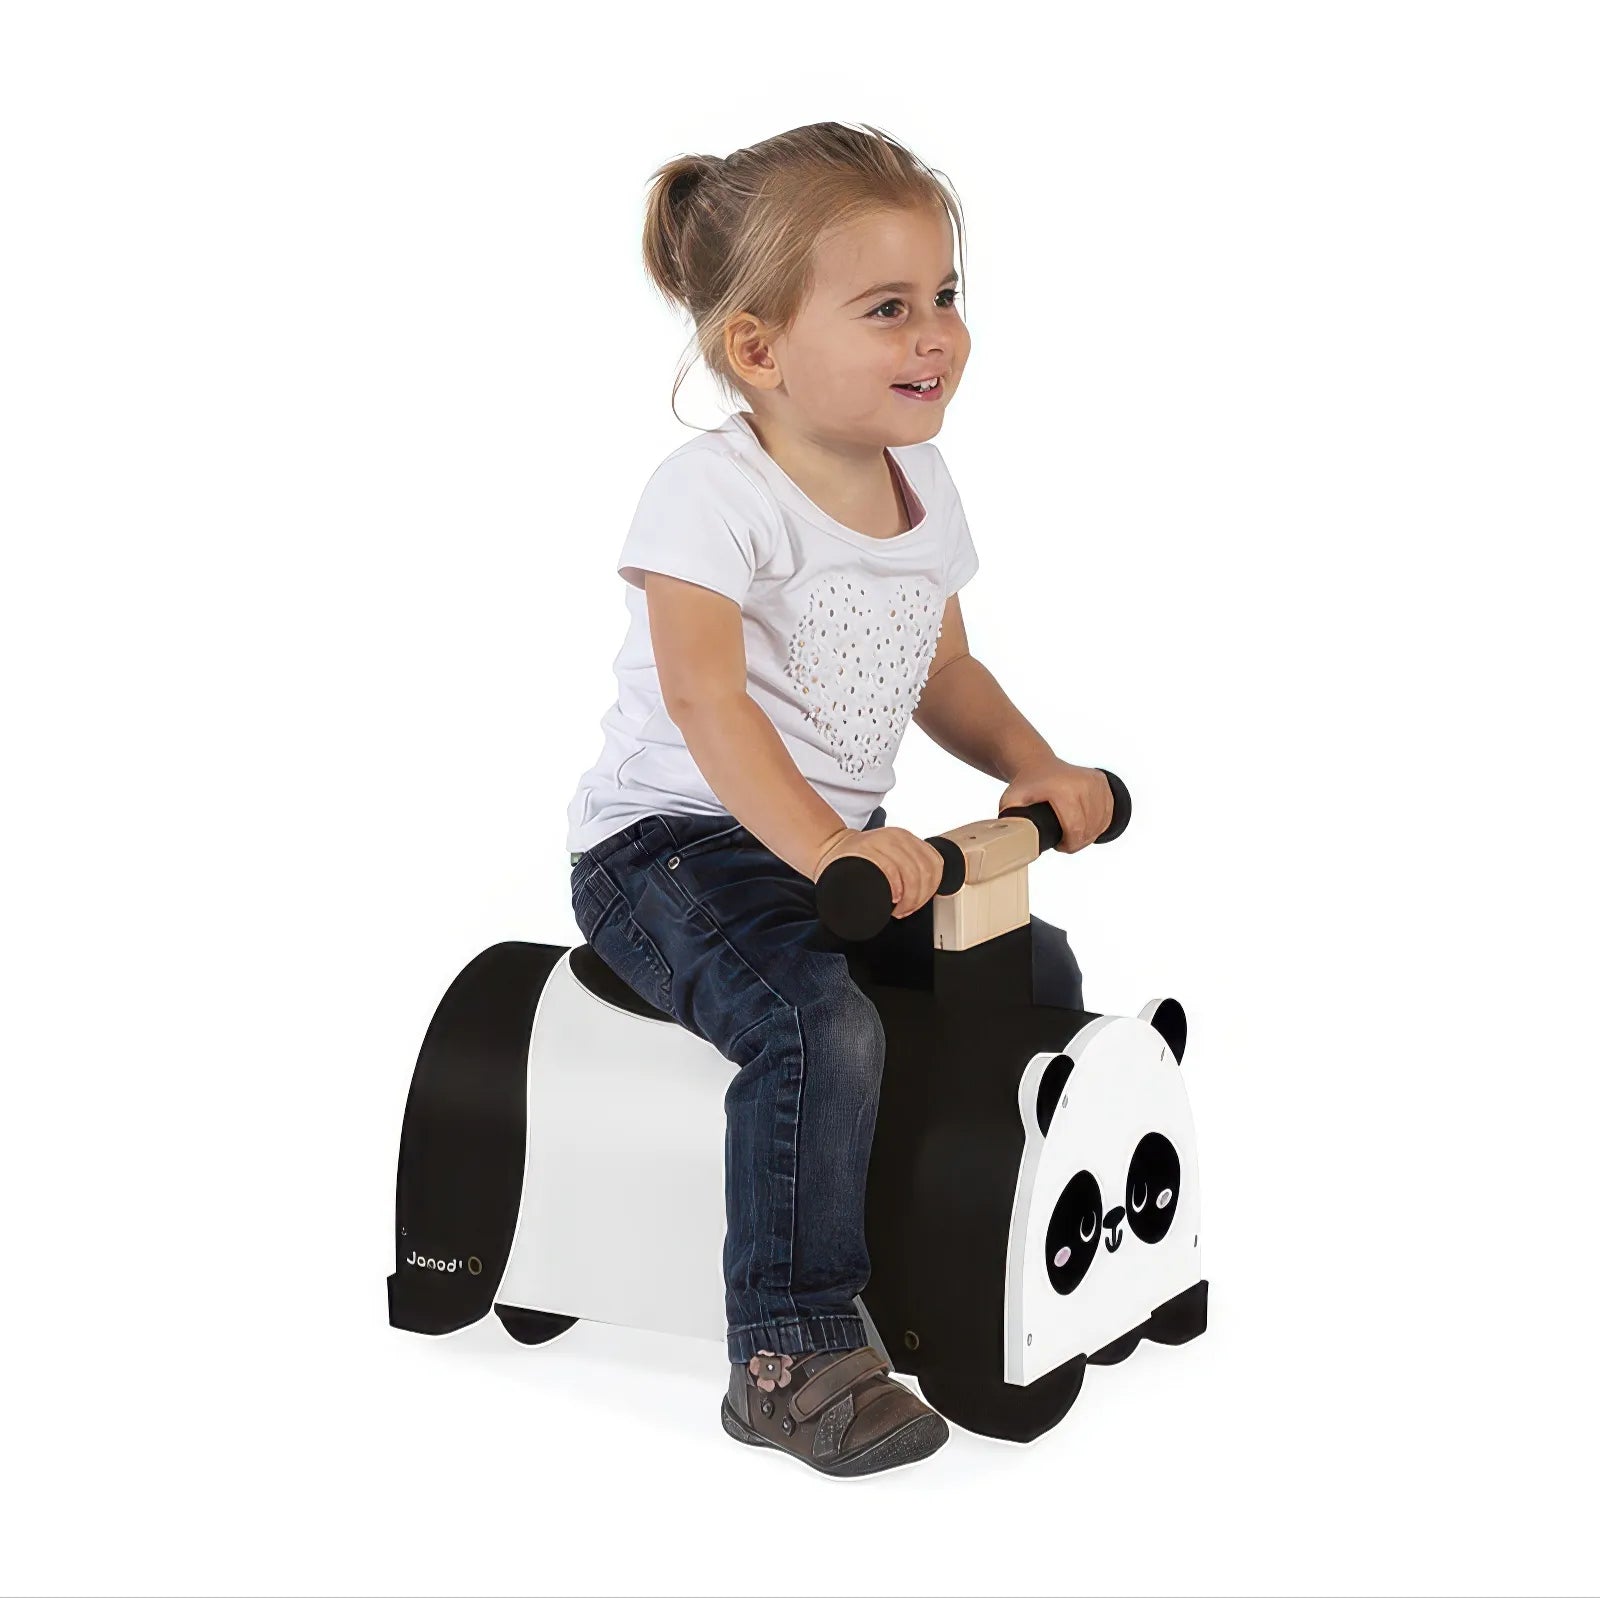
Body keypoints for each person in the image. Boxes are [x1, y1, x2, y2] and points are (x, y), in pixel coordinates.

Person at [565, 122, 1113, 1477]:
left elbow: (946, 668)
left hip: (835, 851)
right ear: (759, 350)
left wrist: (1033, 766)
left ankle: (995, 1248)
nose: (936, 333)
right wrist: (822, 845)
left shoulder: (920, 483)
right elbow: (708, 703)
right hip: (670, 849)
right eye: (887, 308)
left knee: (1025, 966)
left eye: (945, 295)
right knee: (814, 1019)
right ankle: (789, 1350)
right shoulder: (710, 494)